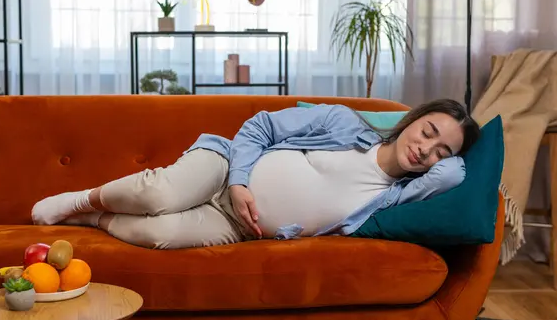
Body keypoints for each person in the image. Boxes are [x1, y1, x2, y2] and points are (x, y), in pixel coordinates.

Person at [31, 99, 480, 249]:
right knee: (158, 195)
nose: (427, 149)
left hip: (241, 227)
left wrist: (452, 151)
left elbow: (457, 172)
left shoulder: (393, 198)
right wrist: (239, 182)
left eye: (441, 150)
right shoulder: (344, 123)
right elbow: (261, 125)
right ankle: (81, 199)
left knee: (159, 236)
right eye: (428, 131)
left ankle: (90, 219)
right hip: (224, 168)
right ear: (414, 119)